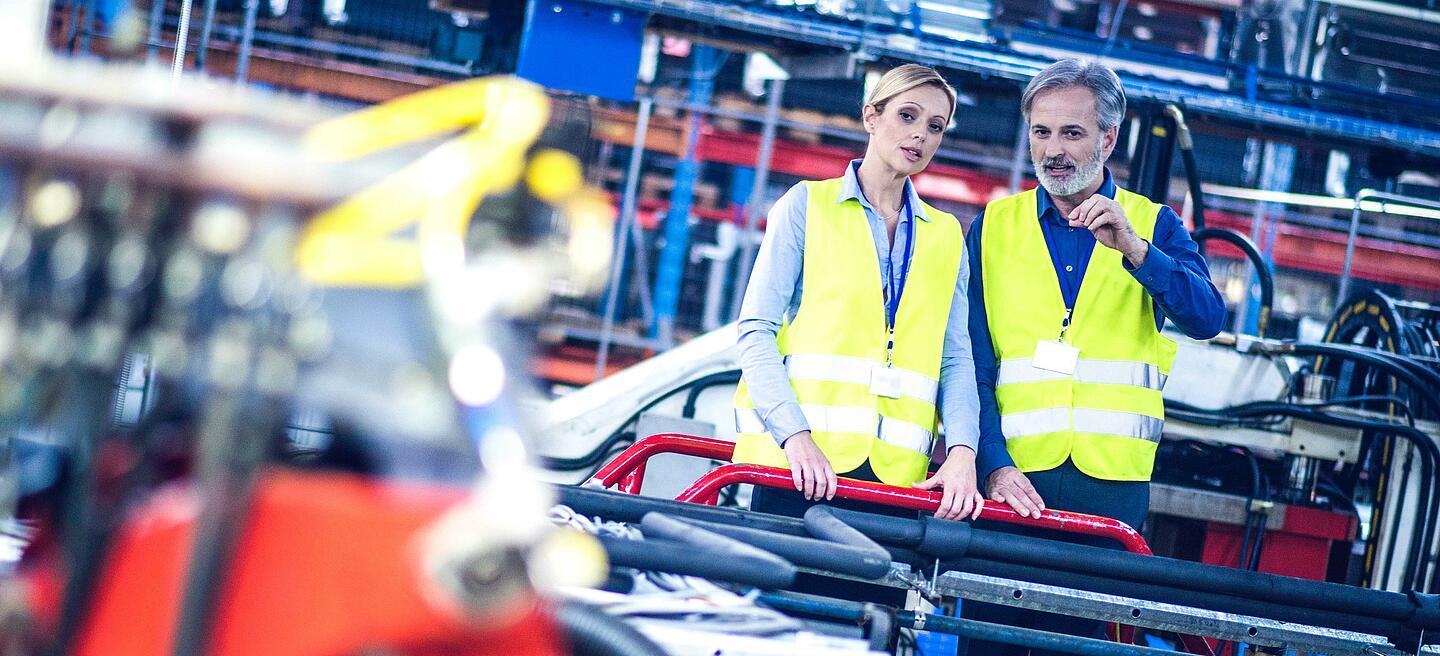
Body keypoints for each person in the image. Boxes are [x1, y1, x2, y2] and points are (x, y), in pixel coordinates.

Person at [962, 59, 1227, 654]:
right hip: (1011, 487)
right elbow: (972, 362)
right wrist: (993, 465)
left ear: (1108, 139)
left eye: (1072, 133)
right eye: (1041, 132)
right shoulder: (994, 227)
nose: (1052, 150)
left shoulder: (1155, 224)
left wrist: (1136, 249)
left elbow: (1207, 317)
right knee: (985, 642)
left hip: (1109, 496)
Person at [734, 64, 984, 522]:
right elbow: (755, 330)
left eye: (935, 127)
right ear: (871, 117)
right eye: (907, 116)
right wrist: (795, 436)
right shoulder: (807, 205)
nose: (920, 137)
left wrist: (963, 452)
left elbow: (956, 357)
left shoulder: (947, 235)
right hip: (799, 467)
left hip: (896, 482)